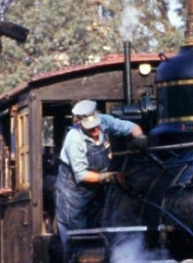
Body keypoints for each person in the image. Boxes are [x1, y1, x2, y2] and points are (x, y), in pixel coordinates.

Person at [54, 99, 145, 233]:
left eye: (97, 125)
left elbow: (132, 127)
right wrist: (110, 177)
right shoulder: (74, 138)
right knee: (76, 234)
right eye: (91, 127)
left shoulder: (105, 121)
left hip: (98, 186)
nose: (96, 129)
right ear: (79, 123)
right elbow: (81, 174)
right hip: (74, 192)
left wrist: (140, 137)